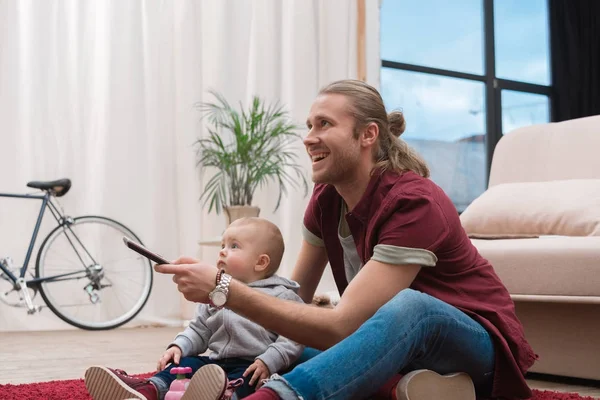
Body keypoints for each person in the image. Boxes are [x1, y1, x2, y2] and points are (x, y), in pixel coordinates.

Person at [155, 79, 537, 400]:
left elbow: (342, 325)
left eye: (324, 124)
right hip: (389, 340)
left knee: (410, 308)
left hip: (471, 342)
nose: (309, 138)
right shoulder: (327, 199)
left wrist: (223, 289)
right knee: (281, 349)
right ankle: (186, 385)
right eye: (309, 125)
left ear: (368, 134)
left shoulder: (414, 202)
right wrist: (244, 333)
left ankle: (275, 397)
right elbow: (292, 298)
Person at [84, 217, 305, 400]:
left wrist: (268, 360)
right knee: (185, 366)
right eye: (222, 245)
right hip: (215, 362)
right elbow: (199, 330)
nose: (222, 252)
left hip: (253, 365)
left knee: (248, 382)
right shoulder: (215, 291)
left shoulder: (282, 296)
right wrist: (179, 346)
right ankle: (148, 390)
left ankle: (225, 395)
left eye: (234, 246)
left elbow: (293, 338)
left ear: (261, 262)